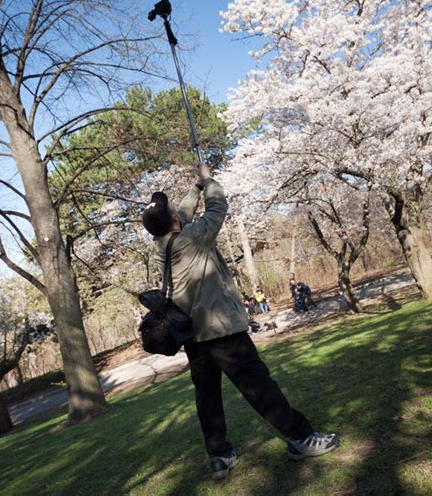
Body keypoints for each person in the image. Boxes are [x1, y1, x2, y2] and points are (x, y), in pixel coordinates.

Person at [142, 164, 339, 480]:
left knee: (207, 397)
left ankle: (220, 456)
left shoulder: (161, 245)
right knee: (258, 385)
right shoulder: (192, 238)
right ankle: (302, 438)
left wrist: (196, 188)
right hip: (221, 331)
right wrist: (209, 182)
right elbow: (218, 207)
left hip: (193, 338)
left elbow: (181, 215)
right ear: (174, 221)